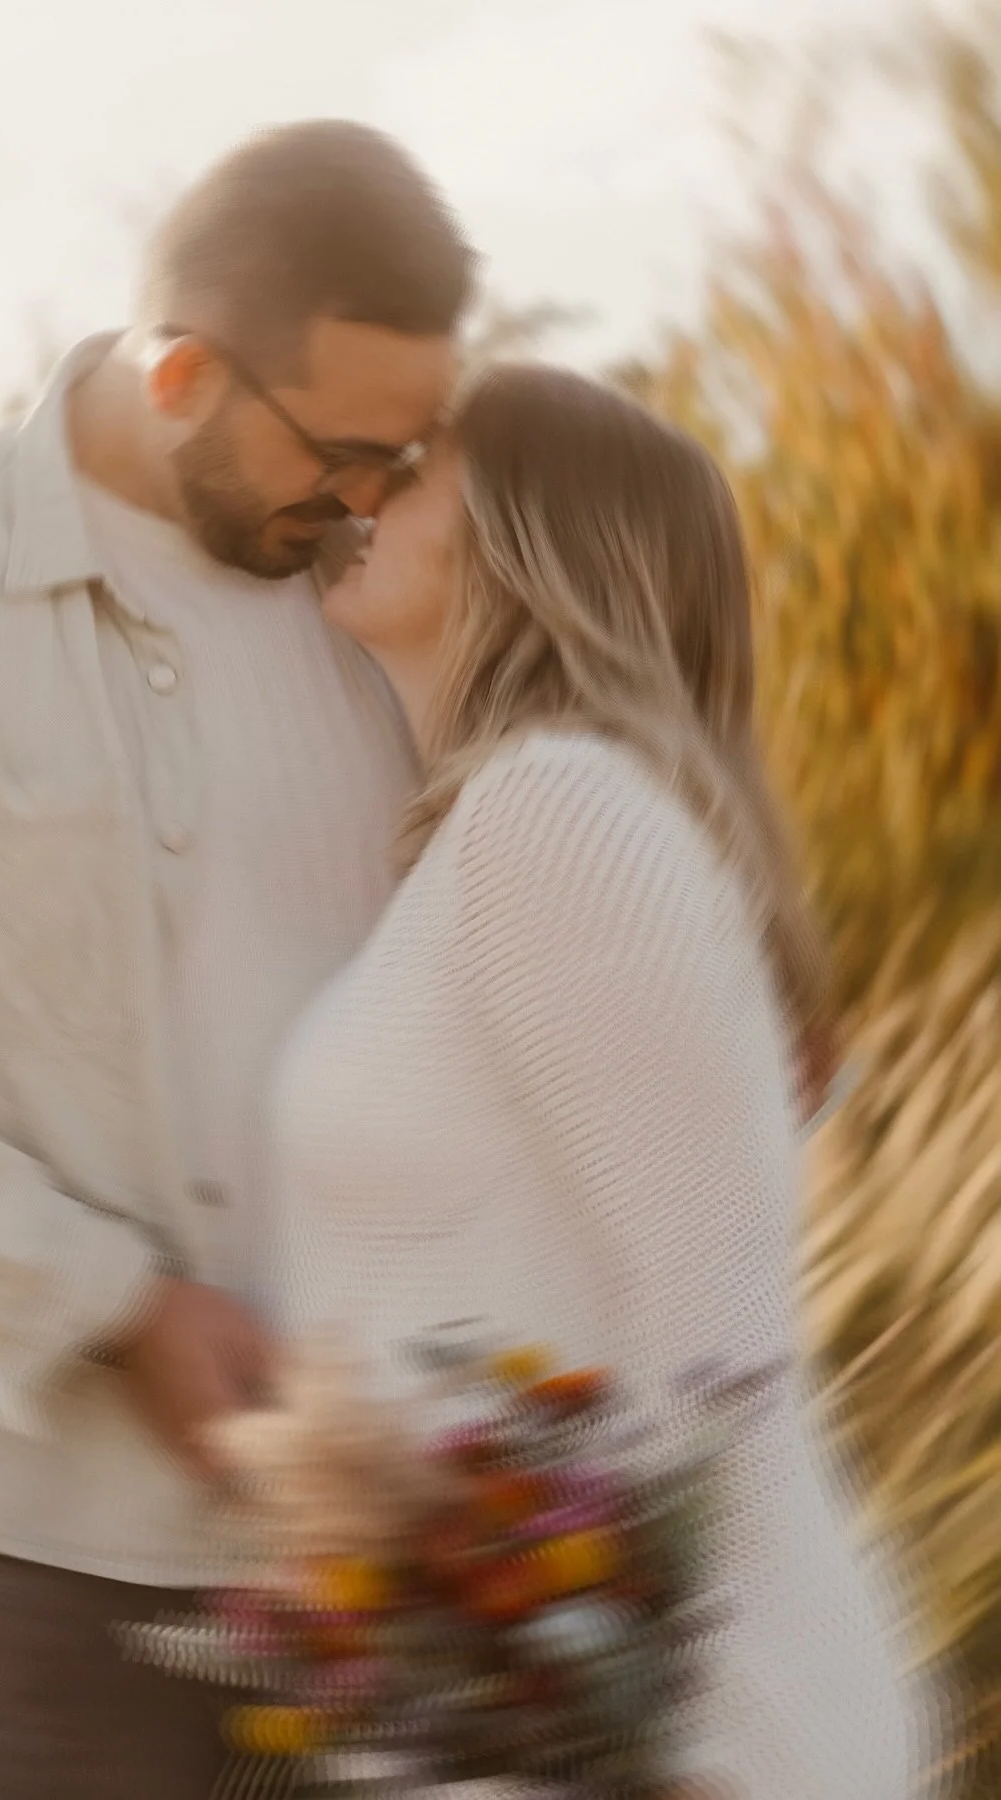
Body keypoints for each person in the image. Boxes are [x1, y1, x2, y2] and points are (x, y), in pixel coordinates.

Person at [0, 120, 474, 1798]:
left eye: (405, 455)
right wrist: (113, 1304)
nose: (371, 499)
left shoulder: (391, 611)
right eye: (343, 452)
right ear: (182, 374)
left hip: (375, 1506)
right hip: (28, 1527)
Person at [268, 364, 940, 1799]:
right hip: (529, 1710)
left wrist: (665, 1752)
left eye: (418, 469)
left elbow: (718, 1353)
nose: (369, 492)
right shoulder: (490, 835)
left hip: (662, 1736)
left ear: (527, 533)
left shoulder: (558, 813)